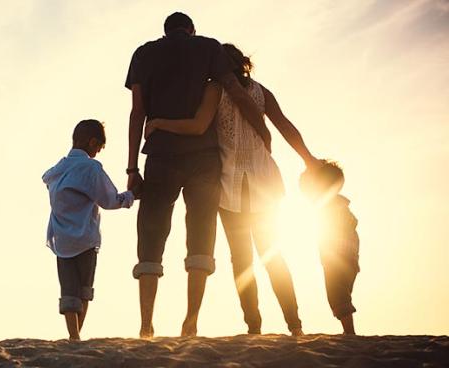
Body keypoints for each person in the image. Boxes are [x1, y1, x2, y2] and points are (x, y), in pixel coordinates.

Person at [145, 44, 319, 336]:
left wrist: (161, 123)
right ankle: (295, 325)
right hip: (266, 184)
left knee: (242, 260)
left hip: (230, 186)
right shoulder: (261, 91)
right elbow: (285, 127)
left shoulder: (214, 90)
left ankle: (254, 327)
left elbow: (199, 126)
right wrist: (308, 159)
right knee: (272, 255)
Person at [126, 12, 274, 338]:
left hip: (160, 155)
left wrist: (132, 168)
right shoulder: (209, 48)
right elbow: (235, 91)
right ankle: (191, 320)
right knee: (200, 234)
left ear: (165, 32)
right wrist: (263, 130)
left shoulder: (144, 54)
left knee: (151, 235)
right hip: (204, 158)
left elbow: (138, 111)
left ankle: (146, 323)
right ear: (191, 30)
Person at [43, 119, 135, 341]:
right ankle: (76, 337)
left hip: (61, 239)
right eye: (98, 148)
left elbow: (45, 177)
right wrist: (130, 197)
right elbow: (109, 199)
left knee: (68, 290)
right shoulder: (91, 168)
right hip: (85, 238)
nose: (97, 153)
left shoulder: (57, 170)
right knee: (84, 290)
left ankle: (73, 334)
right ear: (93, 142)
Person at [300, 160, 359, 335]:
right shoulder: (341, 205)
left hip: (336, 257)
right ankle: (348, 330)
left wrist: (309, 169)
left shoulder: (326, 203)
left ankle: (349, 331)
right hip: (350, 258)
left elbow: (303, 186)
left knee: (337, 294)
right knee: (342, 293)